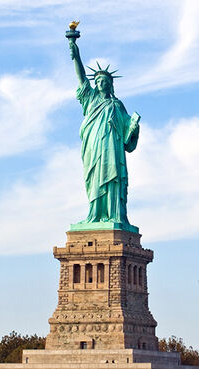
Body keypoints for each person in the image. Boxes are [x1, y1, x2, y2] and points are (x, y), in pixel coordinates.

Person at [68, 37, 139, 229]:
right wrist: (76, 55)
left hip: (112, 149)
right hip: (93, 146)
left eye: (104, 81)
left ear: (110, 84)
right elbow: (81, 77)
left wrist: (133, 128)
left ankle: (114, 214)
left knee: (113, 179)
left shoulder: (117, 105)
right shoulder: (90, 99)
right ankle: (95, 214)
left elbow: (127, 135)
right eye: (97, 81)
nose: (100, 83)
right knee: (94, 179)